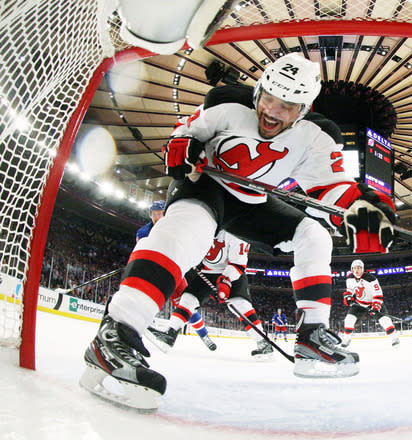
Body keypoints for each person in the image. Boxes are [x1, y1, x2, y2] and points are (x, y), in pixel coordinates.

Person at [80, 53, 396, 408]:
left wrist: (361, 210)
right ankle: (116, 333)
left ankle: (312, 336)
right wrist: (184, 149)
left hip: (252, 201)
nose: (273, 111)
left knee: (315, 232)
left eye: (288, 105)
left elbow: (333, 186)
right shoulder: (226, 102)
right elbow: (184, 135)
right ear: (259, 90)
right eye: (269, 98)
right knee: (187, 231)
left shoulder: (317, 136)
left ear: (305, 109)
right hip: (206, 184)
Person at [145, 230, 274, 359]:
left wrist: (226, 281)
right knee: (188, 299)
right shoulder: (204, 224)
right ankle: (170, 333)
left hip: (231, 272)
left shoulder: (236, 231)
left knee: (240, 305)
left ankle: (263, 342)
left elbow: (238, 263)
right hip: (207, 272)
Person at [136, 199, 216, 350]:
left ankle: (204, 335)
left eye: (160, 213)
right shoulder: (143, 233)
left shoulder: (176, 228)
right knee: (143, 298)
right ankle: (140, 328)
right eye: (154, 214)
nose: (157, 217)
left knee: (185, 307)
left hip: (174, 273)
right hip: (153, 273)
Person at [341, 259, 400, 347]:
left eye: (359, 268)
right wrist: (348, 297)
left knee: (385, 320)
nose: (356, 270)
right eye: (354, 268)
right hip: (359, 304)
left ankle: (394, 338)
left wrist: (375, 307)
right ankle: (347, 338)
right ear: (352, 269)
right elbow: (349, 290)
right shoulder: (349, 278)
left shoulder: (371, 279)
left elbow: (378, 294)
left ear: (363, 269)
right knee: (349, 319)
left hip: (373, 303)